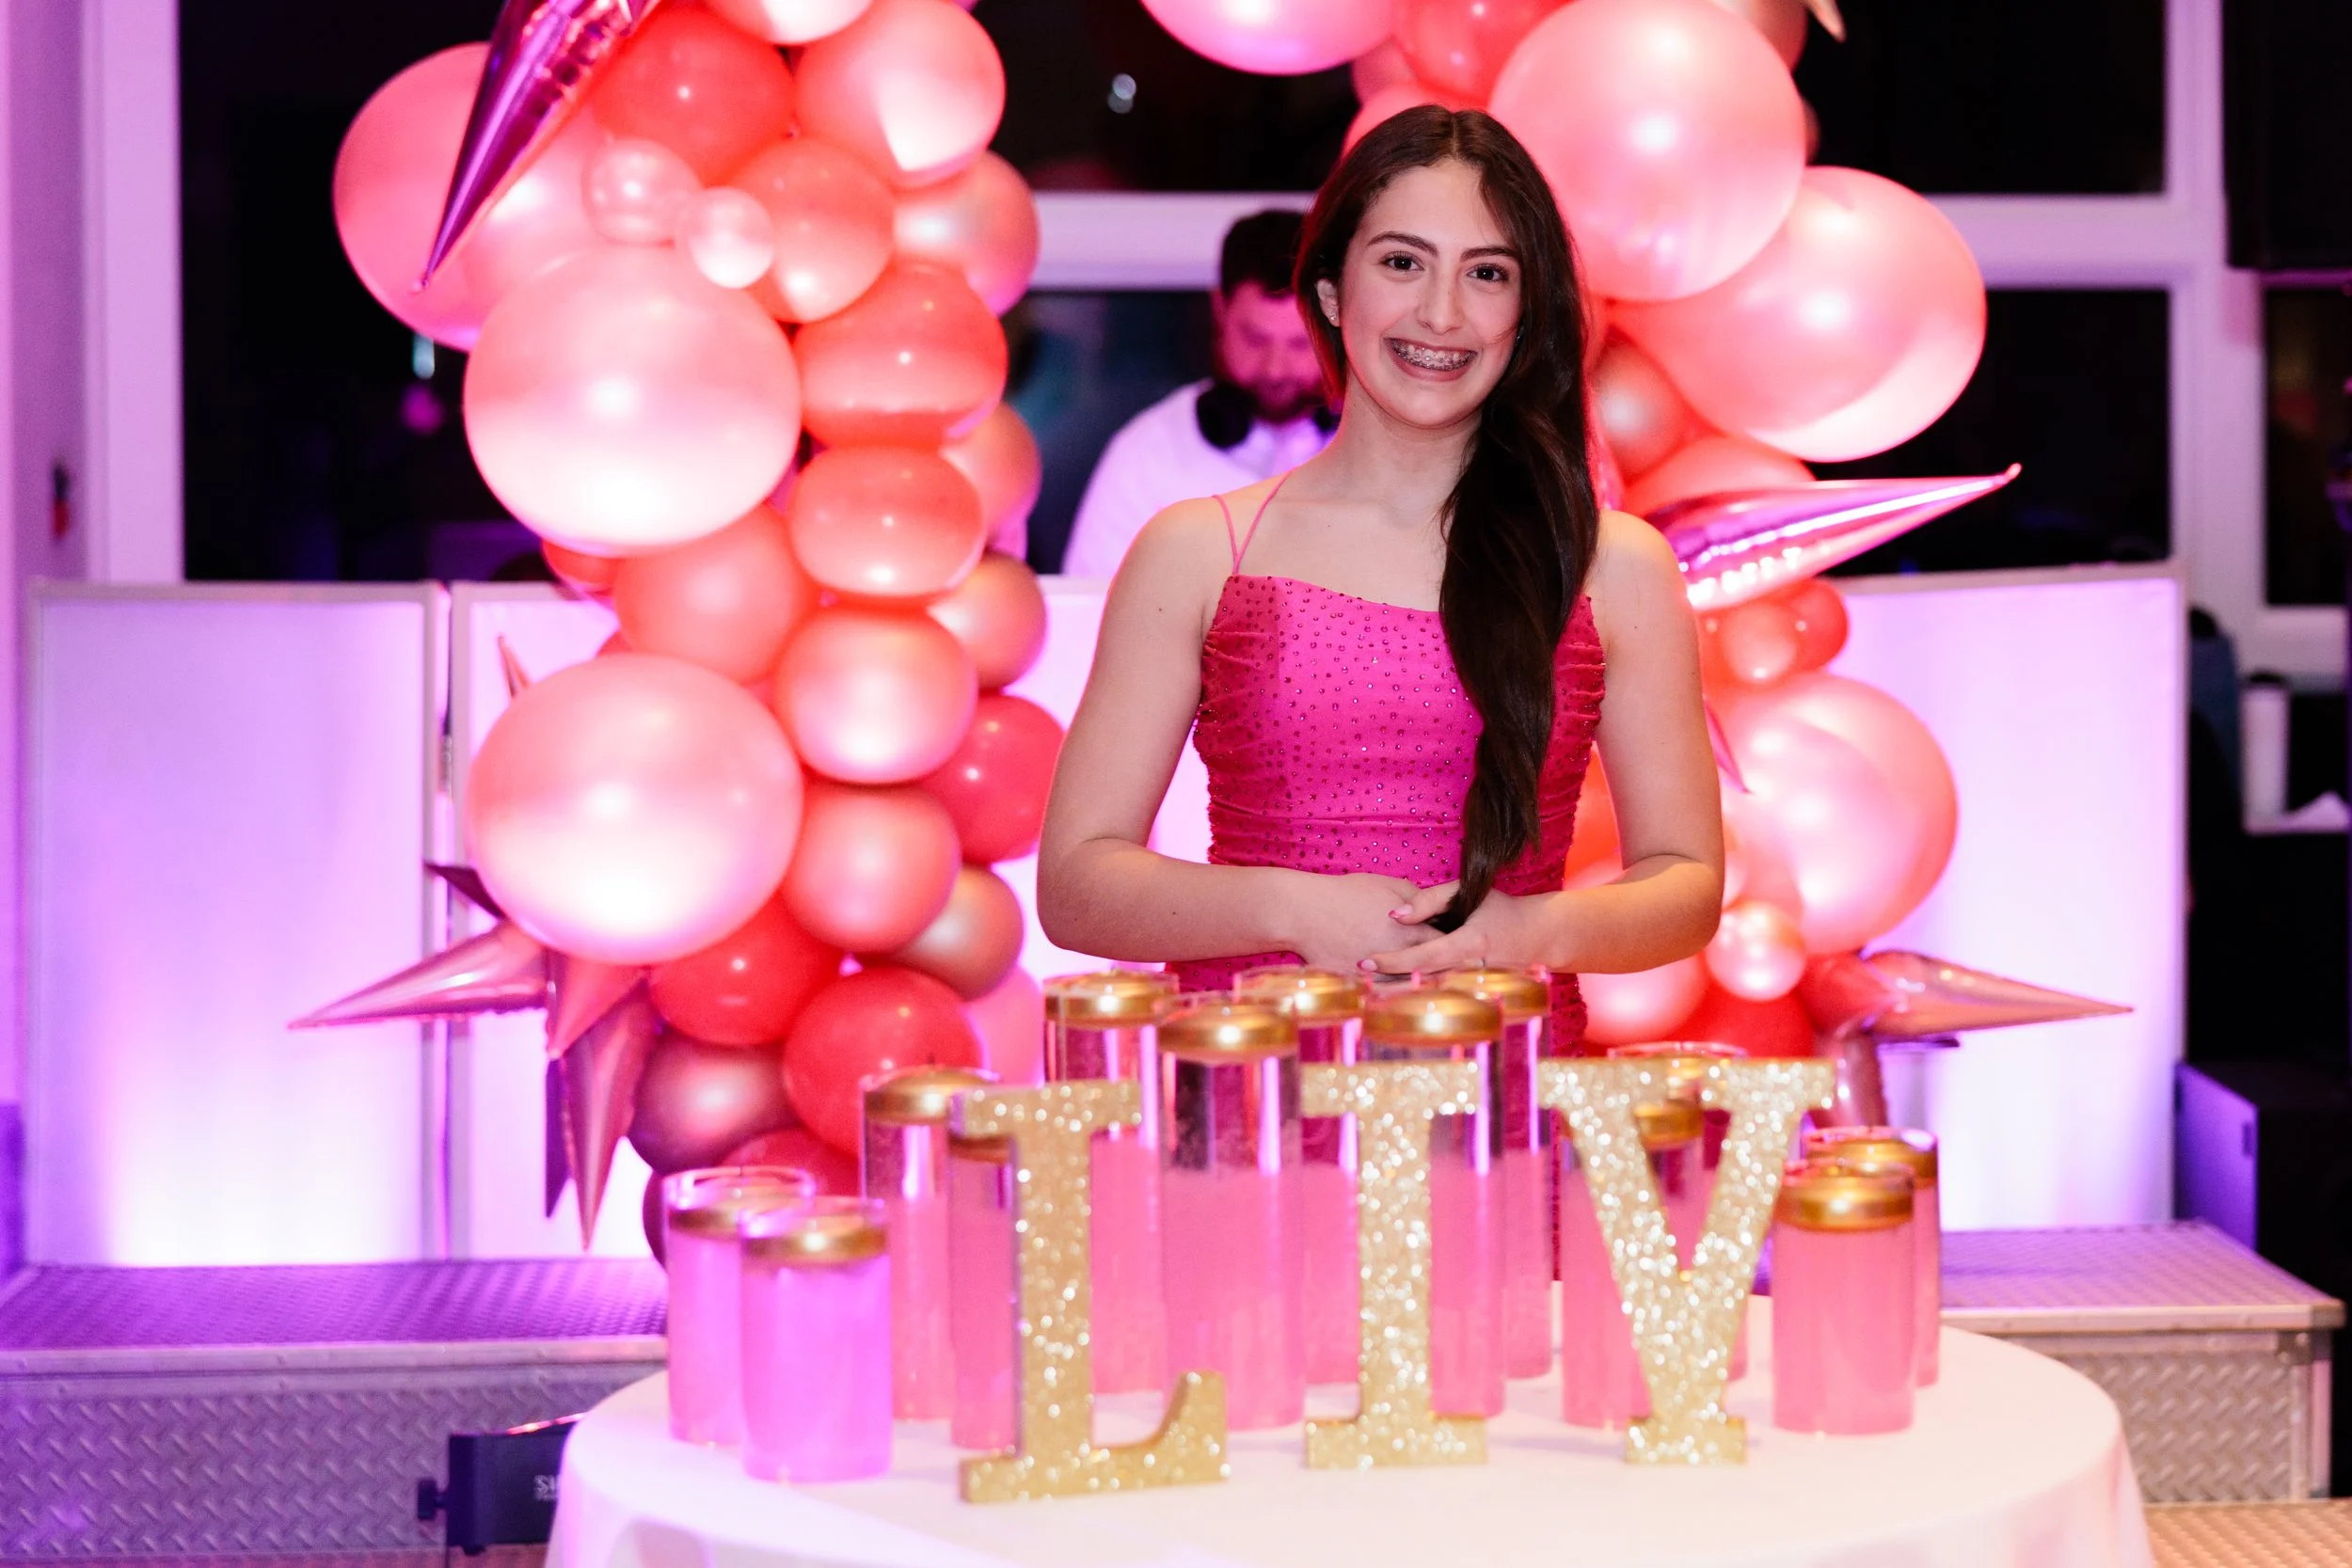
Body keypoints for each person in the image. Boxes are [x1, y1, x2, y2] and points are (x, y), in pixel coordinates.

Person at [1035, 107, 1723, 1048]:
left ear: (1524, 313)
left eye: (1486, 274)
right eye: (1402, 262)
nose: (1441, 313)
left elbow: (1685, 884)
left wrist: (1522, 930)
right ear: (1327, 289)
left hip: (1503, 1104)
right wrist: (1296, 909)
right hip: (1256, 1109)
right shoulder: (1200, 550)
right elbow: (1076, 887)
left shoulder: (1613, 565)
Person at [1058, 211, 1336, 578]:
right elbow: (1091, 611)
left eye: (1300, 344)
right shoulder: (1149, 452)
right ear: (1220, 309)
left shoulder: (1379, 449)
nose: (1275, 369)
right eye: (1255, 339)